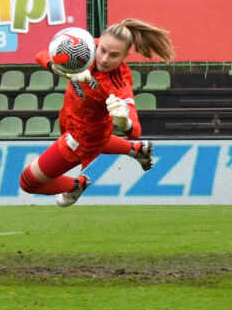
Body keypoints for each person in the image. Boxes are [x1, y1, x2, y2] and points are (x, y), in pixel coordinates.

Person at [19, 19, 174, 207]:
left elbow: (135, 129)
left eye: (114, 55)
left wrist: (124, 122)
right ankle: (136, 150)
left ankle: (77, 185)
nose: (104, 59)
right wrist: (61, 69)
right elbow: (41, 55)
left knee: (28, 182)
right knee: (100, 136)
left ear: (125, 56)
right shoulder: (87, 48)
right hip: (71, 120)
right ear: (99, 43)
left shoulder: (118, 82)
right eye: (103, 50)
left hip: (81, 139)